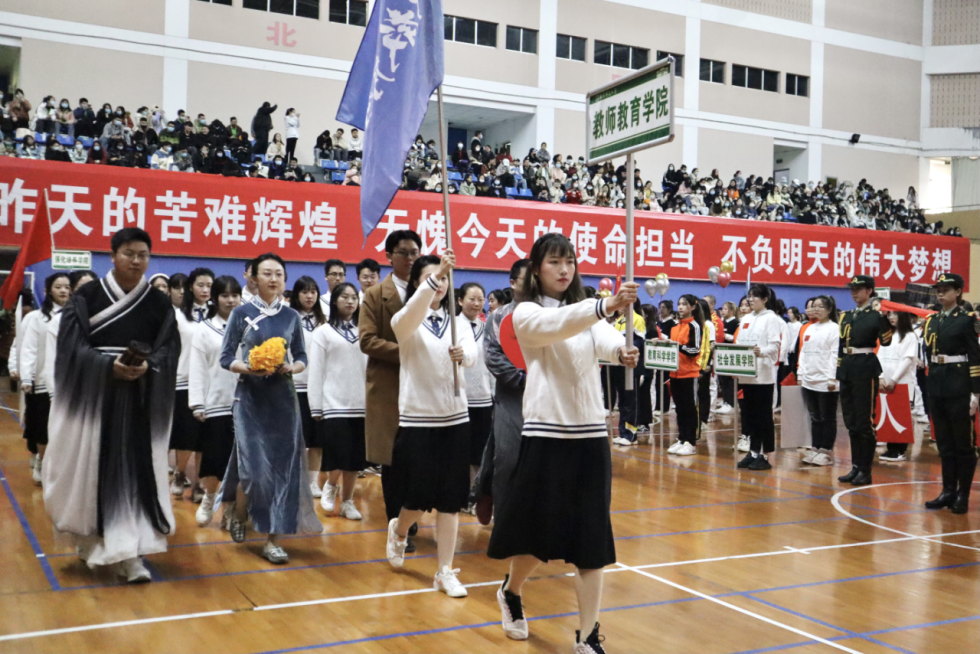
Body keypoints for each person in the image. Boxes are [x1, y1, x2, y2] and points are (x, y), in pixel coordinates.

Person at [486, 234, 638, 651]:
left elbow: (602, 338)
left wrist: (621, 351)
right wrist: (604, 305)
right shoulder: (526, 313)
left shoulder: (585, 311)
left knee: (592, 540)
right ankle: (511, 591)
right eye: (554, 261)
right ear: (536, 269)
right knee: (537, 534)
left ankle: (587, 636)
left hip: (590, 436)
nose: (564, 269)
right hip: (546, 436)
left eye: (569, 261)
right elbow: (560, 325)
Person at [43, 227, 179, 583]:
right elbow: (71, 347)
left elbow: (169, 348)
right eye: (129, 253)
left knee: (135, 472)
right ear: (113, 255)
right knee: (91, 470)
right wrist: (107, 367)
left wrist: (150, 366)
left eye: (143, 255)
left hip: (140, 399)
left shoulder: (159, 303)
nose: (136, 261)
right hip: (95, 398)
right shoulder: (86, 296)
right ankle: (92, 540)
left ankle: (130, 554)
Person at [384, 250, 476, 599]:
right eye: (431, 278)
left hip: (455, 417)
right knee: (419, 496)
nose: (440, 284)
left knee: (451, 499)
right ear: (416, 283)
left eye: (444, 278)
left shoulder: (459, 322)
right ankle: (399, 529)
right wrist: (436, 277)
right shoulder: (405, 318)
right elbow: (407, 319)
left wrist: (464, 356)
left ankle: (444, 571)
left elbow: (472, 353)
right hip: (418, 419)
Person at [219, 253, 322, 563]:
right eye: (267, 273)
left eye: (279, 273)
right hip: (249, 399)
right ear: (254, 278)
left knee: (283, 471)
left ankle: (273, 540)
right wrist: (249, 368)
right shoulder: (241, 313)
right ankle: (239, 512)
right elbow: (226, 357)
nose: (273, 279)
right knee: (253, 471)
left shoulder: (290, 316)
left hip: (283, 400)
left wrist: (293, 368)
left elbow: (301, 356)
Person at [360, 230, 421, 549]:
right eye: (403, 253)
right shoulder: (375, 295)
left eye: (414, 253)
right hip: (389, 385)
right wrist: (408, 353)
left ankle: (410, 516)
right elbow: (367, 340)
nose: (410, 259)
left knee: (418, 457)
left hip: (423, 386)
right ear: (389, 256)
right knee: (393, 460)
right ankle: (396, 524)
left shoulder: (428, 292)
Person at [472, 260, 529, 525]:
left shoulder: (549, 314)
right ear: (513, 283)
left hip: (546, 399)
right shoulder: (499, 316)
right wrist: (522, 379)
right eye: (527, 279)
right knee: (507, 456)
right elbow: (492, 356)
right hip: (511, 396)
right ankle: (502, 517)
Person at [308, 282, 368, 520]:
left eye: (354, 297)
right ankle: (331, 484)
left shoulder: (364, 330)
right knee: (338, 453)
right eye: (345, 297)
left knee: (355, 459)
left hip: (361, 404)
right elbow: (316, 371)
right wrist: (316, 406)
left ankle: (347, 502)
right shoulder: (323, 332)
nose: (350, 301)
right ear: (334, 301)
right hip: (334, 403)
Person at [922, 273, 979, 514]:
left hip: (958, 385)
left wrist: (975, 391)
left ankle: (962, 494)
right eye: (938, 289)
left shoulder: (966, 320)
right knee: (944, 442)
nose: (940, 293)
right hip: (937, 383)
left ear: (958, 292)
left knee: (963, 443)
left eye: (946, 289)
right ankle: (947, 491)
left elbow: (974, 356)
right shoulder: (932, 320)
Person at [188, 276, 242, 528]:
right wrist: (198, 403)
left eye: (235, 295)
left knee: (239, 464)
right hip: (216, 404)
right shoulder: (204, 329)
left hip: (245, 405)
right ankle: (209, 499)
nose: (230, 300)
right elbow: (198, 368)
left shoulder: (250, 327)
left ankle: (230, 509)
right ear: (215, 298)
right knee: (213, 460)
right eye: (225, 295)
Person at [837, 275, 893, 486]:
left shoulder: (875, 316)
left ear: (869, 291)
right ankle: (855, 466)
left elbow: (886, 342)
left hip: (865, 367)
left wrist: (884, 317)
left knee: (864, 421)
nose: (854, 292)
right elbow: (841, 345)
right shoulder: (846, 316)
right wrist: (839, 369)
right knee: (851, 422)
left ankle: (865, 469)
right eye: (852, 289)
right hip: (848, 367)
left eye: (858, 289)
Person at [18, 273, 71, 484]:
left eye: (67, 287)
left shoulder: (75, 316)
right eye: (58, 287)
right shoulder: (37, 318)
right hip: (42, 381)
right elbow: (28, 348)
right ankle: (41, 460)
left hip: (68, 383)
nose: (63, 291)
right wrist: (27, 377)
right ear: (47, 291)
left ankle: (59, 467)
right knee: (42, 426)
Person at [171, 268, 214, 502]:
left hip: (211, 383)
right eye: (200, 285)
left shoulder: (217, 314)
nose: (205, 290)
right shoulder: (178, 316)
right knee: (186, 435)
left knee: (205, 439)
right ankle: (179, 473)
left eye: (209, 285)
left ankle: (199, 484)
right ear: (190, 287)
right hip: (184, 381)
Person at [734, 284, 783, 471]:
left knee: (763, 416)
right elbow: (739, 343)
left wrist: (760, 352)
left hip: (763, 375)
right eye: (749, 296)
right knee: (750, 416)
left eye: (755, 296)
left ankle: (765, 454)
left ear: (765, 299)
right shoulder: (746, 318)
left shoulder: (771, 318)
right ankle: (753, 452)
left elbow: (774, 347)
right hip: (746, 374)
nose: (750, 299)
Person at [288, 276, 327, 499]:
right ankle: (296, 481)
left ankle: (312, 482)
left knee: (317, 440)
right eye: (304, 292)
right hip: (295, 386)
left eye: (313, 291)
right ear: (297, 294)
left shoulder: (325, 319)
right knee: (297, 440)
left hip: (319, 387)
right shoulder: (288, 318)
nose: (309, 296)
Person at [456, 282, 492, 510]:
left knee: (480, 450)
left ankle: (475, 492)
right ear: (460, 301)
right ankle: (459, 493)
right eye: (472, 299)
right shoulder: (453, 326)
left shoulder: (487, 328)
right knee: (460, 449)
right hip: (459, 399)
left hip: (484, 398)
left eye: (481, 299)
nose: (477, 303)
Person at [798, 296, 840, 467]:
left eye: (820, 306)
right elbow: (804, 352)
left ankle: (826, 451)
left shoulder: (834, 329)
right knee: (815, 417)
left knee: (827, 417)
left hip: (826, 380)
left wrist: (832, 377)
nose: (815, 309)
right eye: (813, 306)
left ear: (829, 309)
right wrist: (801, 373)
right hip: (809, 379)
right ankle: (815, 448)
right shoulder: (809, 328)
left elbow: (835, 355)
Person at [666, 295, 705, 456]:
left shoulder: (695, 326)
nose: (680, 307)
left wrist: (678, 346)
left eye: (684, 304)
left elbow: (695, 350)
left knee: (689, 408)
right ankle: (682, 438)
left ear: (692, 307)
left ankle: (691, 441)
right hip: (675, 373)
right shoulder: (674, 327)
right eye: (679, 304)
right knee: (679, 408)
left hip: (689, 373)